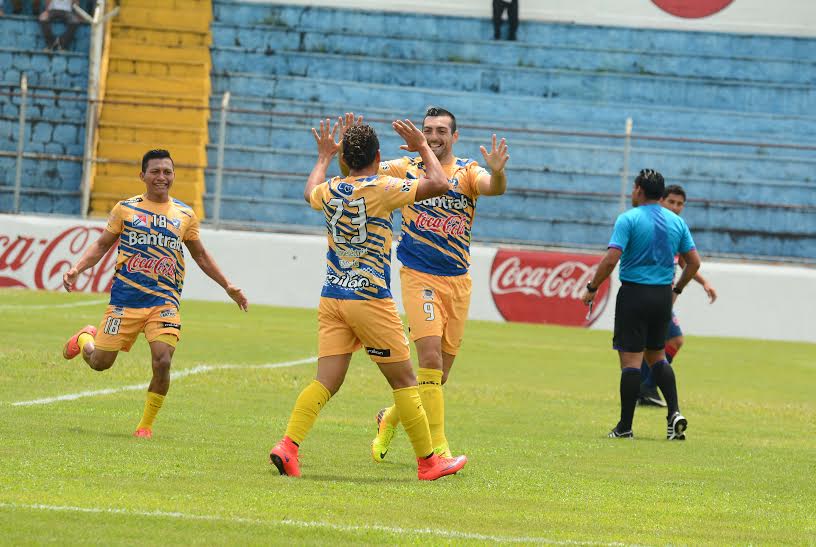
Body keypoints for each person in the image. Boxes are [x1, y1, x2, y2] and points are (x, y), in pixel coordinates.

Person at [268, 118, 468, 481]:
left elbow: (308, 191)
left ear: (344, 158)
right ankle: (429, 462)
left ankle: (287, 445)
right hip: (370, 298)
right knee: (407, 382)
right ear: (378, 156)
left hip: (333, 297)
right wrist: (423, 147)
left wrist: (322, 157)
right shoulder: (384, 187)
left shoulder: (330, 190)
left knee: (325, 380)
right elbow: (439, 183)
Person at [339, 107, 509, 461]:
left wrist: (497, 169)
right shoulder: (405, 169)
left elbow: (493, 188)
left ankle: (390, 417)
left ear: (454, 136)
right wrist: (347, 148)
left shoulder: (467, 171)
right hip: (418, 276)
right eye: (428, 129)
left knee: (438, 376)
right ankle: (438, 449)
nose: (433, 135)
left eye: (441, 130)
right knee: (428, 357)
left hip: (458, 281)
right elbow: (354, 176)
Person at [62, 149, 248, 438]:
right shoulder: (126, 209)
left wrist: (227, 285)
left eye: (167, 171)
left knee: (162, 361)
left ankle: (145, 426)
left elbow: (200, 256)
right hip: (125, 302)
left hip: (164, 303)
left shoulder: (185, 214)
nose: (162, 177)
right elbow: (101, 245)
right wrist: (77, 268)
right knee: (100, 363)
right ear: (143, 176)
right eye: (156, 171)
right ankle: (86, 337)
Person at [581, 169, 701, 440]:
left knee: (631, 361)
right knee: (657, 356)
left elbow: (611, 259)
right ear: (661, 194)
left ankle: (625, 427)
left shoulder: (629, 219)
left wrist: (592, 288)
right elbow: (694, 262)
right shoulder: (676, 222)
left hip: (634, 294)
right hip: (662, 296)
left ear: (638, 190)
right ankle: (674, 414)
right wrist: (677, 289)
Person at [638, 184, 718, 407]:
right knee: (672, 340)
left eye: (680, 203)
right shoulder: (656, 226)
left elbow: (685, 262)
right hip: (653, 293)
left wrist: (704, 282)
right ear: (661, 201)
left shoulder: (674, 227)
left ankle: (644, 387)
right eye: (671, 202)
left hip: (661, 295)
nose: (675, 207)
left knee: (654, 345)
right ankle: (647, 386)